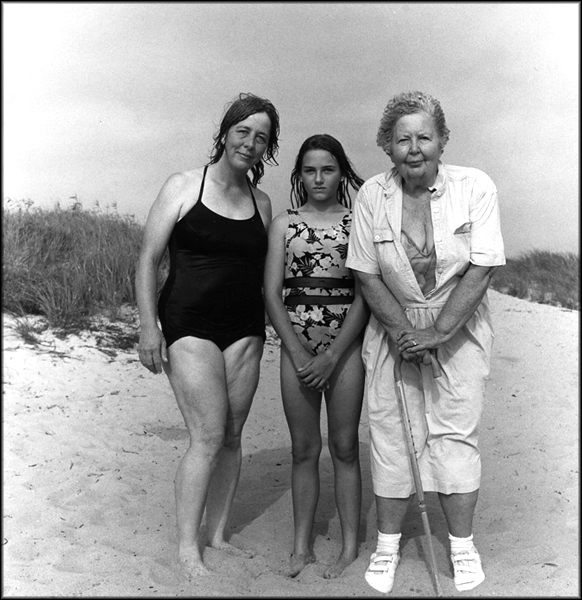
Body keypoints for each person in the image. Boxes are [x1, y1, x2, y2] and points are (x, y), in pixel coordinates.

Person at [346, 91, 505, 594]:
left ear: (442, 140)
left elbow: (481, 269)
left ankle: (461, 545)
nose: (414, 148)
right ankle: (387, 547)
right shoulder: (373, 194)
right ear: (387, 147)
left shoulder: (475, 186)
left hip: (458, 330)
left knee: (455, 436)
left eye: (424, 137)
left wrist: (437, 333)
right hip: (392, 331)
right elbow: (367, 275)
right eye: (402, 139)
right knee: (393, 438)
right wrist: (402, 333)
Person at [135, 92, 280, 579]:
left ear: (267, 148)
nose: (250, 143)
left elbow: (266, 275)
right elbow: (147, 259)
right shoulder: (183, 185)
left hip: (244, 330)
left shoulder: (262, 202)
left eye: (261, 138)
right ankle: (186, 548)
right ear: (225, 133)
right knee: (206, 435)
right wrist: (147, 325)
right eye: (243, 131)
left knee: (233, 437)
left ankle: (217, 535)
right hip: (187, 324)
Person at [263, 134, 369, 579]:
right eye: (309, 170)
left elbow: (366, 294)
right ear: (298, 175)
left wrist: (333, 354)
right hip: (296, 346)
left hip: (345, 347)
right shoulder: (284, 224)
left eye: (327, 169)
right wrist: (298, 349)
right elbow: (271, 293)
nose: (319, 178)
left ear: (341, 172)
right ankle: (301, 547)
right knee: (304, 449)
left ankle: (347, 548)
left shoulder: (358, 220)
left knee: (345, 448)